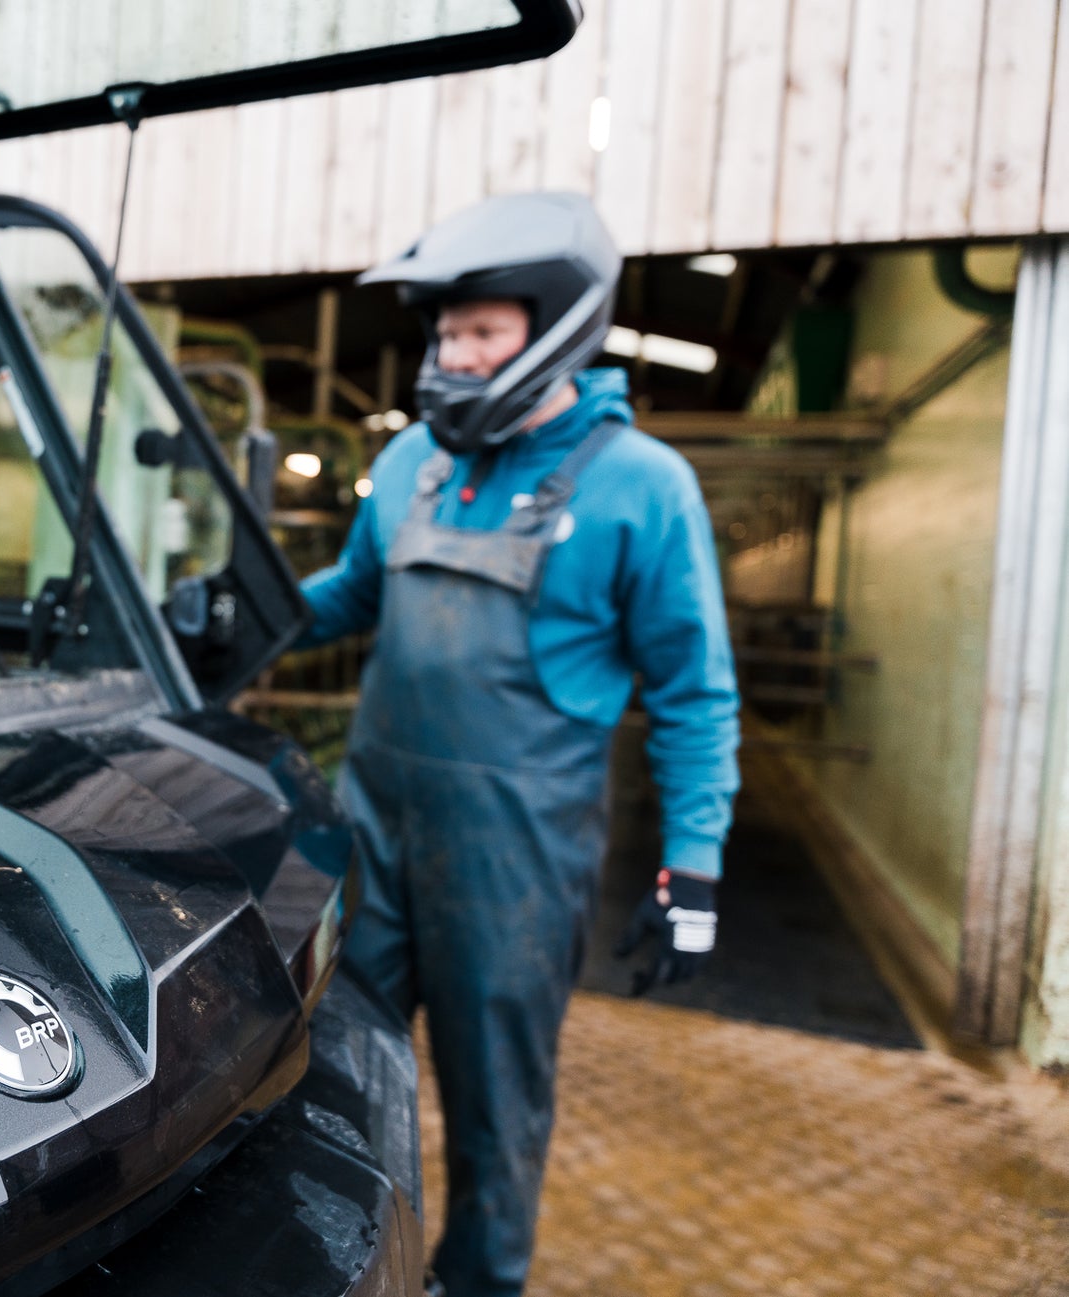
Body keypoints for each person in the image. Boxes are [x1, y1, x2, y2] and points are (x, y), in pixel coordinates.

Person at [300, 191, 740, 1296]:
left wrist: (692, 863)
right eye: (444, 333)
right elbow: (351, 592)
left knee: (493, 1109)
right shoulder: (409, 465)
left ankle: (479, 1282)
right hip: (373, 835)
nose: (453, 354)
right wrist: (233, 611)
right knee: (333, 1076)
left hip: (515, 863)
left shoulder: (642, 486)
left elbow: (694, 696)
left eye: (480, 333)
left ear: (555, 327)